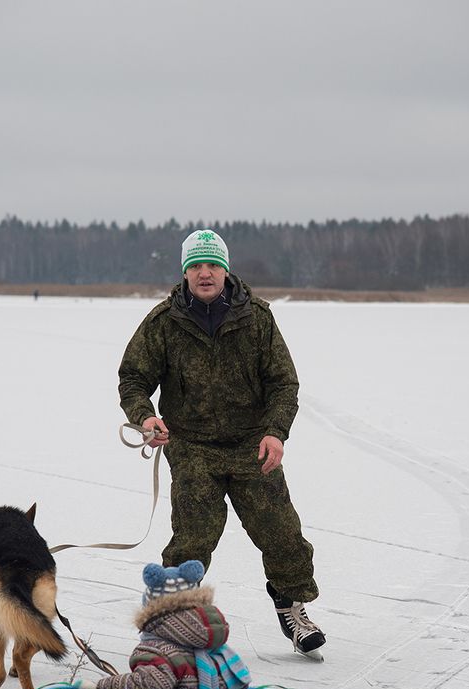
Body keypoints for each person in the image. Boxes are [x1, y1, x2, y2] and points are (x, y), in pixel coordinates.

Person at [118, 229, 325, 656]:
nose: (204, 273)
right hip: (192, 447)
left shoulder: (258, 318)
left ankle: (292, 608)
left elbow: (283, 384)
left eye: (212, 264)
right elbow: (133, 378)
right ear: (185, 272)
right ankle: (172, 620)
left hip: (253, 445)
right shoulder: (163, 322)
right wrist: (145, 417)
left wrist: (275, 432)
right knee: (192, 538)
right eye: (195, 265)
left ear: (226, 270)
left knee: (282, 534)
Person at [73, 560, 251, 689]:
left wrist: (100, 687)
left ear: (151, 611)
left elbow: (149, 686)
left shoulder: (159, 651)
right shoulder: (217, 648)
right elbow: (241, 683)